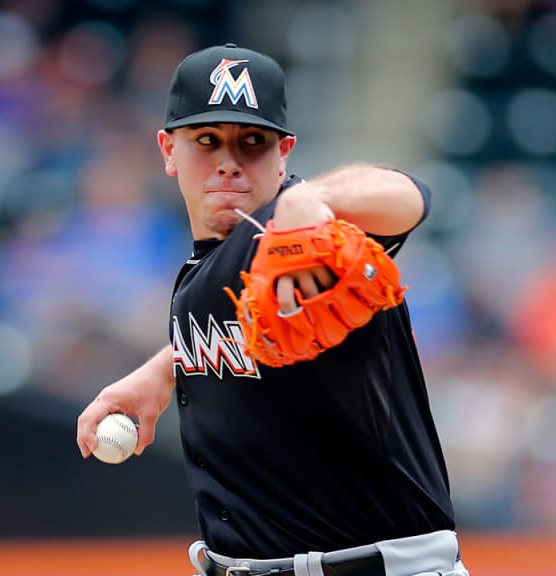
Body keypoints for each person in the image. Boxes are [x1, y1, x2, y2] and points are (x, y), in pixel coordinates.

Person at [77, 43, 468, 576]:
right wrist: (166, 368)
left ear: (285, 152)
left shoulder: (299, 233)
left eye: (253, 143)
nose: (229, 162)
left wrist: (315, 199)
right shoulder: (205, 267)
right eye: (207, 141)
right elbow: (243, 312)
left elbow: (408, 197)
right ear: (168, 150)